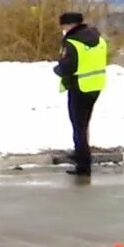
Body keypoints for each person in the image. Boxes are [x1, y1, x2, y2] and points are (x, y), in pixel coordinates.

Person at [53, 12, 107, 177]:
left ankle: (83, 165)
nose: (62, 29)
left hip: (79, 87)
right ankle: (81, 153)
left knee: (79, 127)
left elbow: (67, 67)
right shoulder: (99, 39)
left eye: (63, 26)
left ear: (70, 25)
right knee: (84, 125)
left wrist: (57, 69)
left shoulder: (71, 42)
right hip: (95, 86)